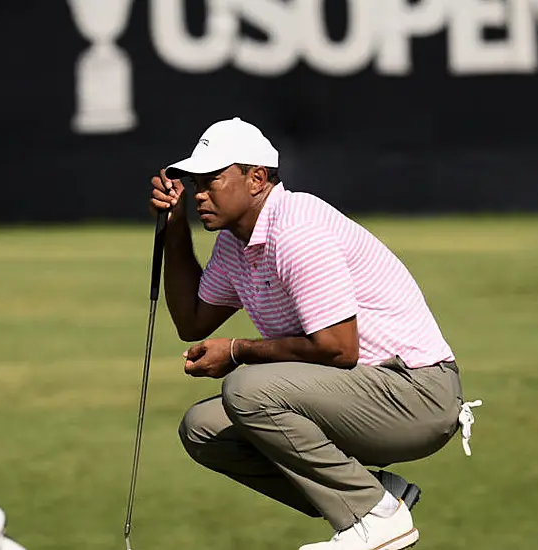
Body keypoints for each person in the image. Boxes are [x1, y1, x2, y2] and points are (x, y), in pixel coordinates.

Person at [149, 117, 481, 550]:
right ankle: (380, 497)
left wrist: (237, 351)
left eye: (211, 180)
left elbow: (338, 349)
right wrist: (175, 230)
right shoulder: (235, 241)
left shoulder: (296, 228)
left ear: (256, 179)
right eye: (195, 184)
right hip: (366, 392)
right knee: (203, 428)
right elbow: (191, 321)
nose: (199, 194)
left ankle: (374, 516)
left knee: (247, 388)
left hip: (417, 394)